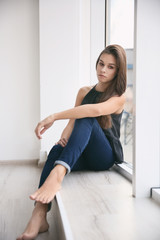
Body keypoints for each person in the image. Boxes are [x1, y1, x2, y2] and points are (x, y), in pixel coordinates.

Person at [17, 44, 126, 240]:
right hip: (82, 151)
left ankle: (57, 175)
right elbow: (72, 123)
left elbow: (91, 112)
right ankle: (39, 214)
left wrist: (53, 116)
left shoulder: (118, 97)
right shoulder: (84, 91)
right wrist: (64, 139)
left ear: (118, 71)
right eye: (101, 63)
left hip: (104, 156)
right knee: (56, 150)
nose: (103, 70)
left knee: (88, 114)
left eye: (110, 67)